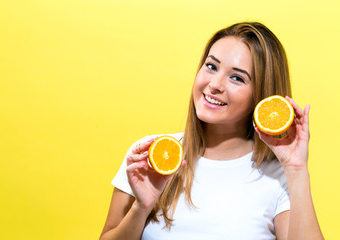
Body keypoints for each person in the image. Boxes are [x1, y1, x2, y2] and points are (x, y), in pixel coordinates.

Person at [99, 22, 324, 240]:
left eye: (237, 77)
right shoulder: (153, 154)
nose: (215, 84)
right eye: (211, 66)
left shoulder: (279, 177)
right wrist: (141, 207)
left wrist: (297, 170)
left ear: (261, 95)